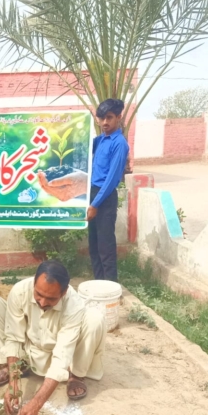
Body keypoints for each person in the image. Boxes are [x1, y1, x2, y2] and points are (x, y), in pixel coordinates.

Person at [0, 260, 107, 415]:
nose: (42, 303)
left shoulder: (73, 305)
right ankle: (20, 365)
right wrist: (14, 383)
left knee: (94, 319)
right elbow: (13, 337)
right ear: (34, 282)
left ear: (63, 293)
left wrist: (36, 404)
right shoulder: (20, 291)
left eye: (50, 298)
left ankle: (76, 376)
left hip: (60, 353)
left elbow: (62, 356)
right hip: (30, 346)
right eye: (38, 294)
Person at [87, 98, 129, 282]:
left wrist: (95, 204)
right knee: (94, 245)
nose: (105, 122)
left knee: (105, 246)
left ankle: (111, 288)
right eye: (102, 118)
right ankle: (99, 284)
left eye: (109, 117)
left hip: (104, 198)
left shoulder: (119, 143)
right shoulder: (101, 140)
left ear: (119, 117)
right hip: (93, 194)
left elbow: (112, 180)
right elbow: (82, 147)